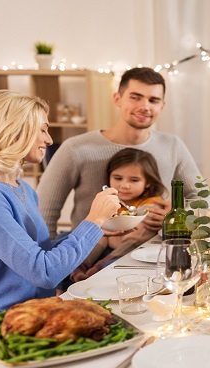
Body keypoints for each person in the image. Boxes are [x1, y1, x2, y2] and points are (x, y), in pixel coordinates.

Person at [0, 90, 120, 362]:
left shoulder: (21, 188)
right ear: (13, 131)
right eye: (43, 130)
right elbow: (43, 271)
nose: (49, 139)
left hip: (28, 318)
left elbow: (36, 254)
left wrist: (94, 233)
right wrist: (92, 221)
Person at [37, 67, 201, 239]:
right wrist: (54, 260)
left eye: (153, 100)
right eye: (135, 97)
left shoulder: (173, 145)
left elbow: (202, 199)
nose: (145, 106)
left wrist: (178, 215)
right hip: (91, 253)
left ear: (162, 106)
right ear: (117, 98)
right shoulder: (75, 148)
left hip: (154, 249)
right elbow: (44, 211)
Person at [69, 148, 166, 282]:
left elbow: (137, 235)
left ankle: (101, 267)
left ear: (148, 182)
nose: (124, 185)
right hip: (109, 244)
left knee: (141, 227)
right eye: (118, 178)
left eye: (134, 180)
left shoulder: (153, 204)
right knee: (97, 229)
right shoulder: (111, 201)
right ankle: (79, 267)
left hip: (129, 253)